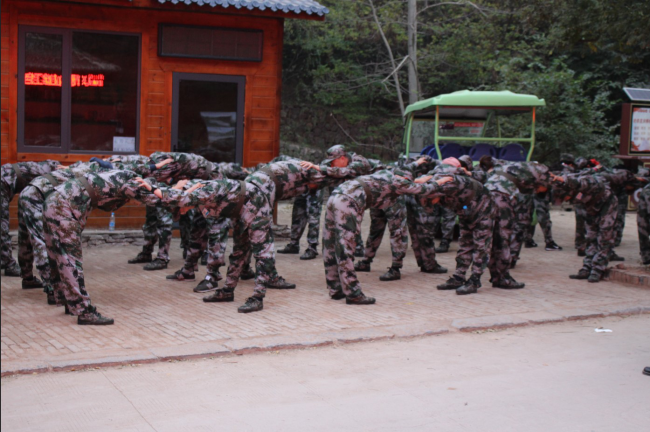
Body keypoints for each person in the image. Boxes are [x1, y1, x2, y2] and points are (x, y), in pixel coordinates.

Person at [43, 169, 164, 325]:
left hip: (54, 199)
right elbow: (163, 199)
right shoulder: (134, 184)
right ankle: (84, 312)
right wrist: (174, 191)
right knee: (70, 260)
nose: (140, 203)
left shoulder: (122, 176)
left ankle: (71, 302)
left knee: (58, 256)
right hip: (63, 206)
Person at [321, 165, 445, 305]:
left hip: (336, 195)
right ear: (405, 178)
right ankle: (353, 293)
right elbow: (425, 189)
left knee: (329, 243)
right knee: (346, 247)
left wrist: (420, 179)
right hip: (348, 201)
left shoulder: (385, 175)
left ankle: (335, 288)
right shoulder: (399, 181)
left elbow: (413, 184)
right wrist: (440, 181)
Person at [416, 160, 495, 295]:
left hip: (483, 208)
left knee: (481, 245)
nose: (433, 204)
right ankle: (458, 277)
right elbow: (413, 182)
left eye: (431, 201)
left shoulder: (447, 183)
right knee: (464, 242)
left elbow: (450, 174)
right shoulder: (433, 186)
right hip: (465, 209)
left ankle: (475, 280)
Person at [479, 156, 552, 289]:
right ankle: (503, 278)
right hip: (502, 196)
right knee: (503, 238)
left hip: (487, 193)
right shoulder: (542, 172)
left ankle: (496, 276)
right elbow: (539, 187)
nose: (537, 192)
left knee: (494, 237)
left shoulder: (517, 167)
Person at [551, 171, 616, 283]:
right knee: (590, 237)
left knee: (604, 238)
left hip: (607, 204)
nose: (565, 200)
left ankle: (597, 270)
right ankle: (587, 268)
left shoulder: (583, 182)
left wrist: (564, 179)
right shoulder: (571, 192)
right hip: (591, 208)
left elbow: (580, 181)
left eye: (564, 197)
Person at [1, 160, 60, 277]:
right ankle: (8, 265)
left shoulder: (42, 167)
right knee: (2, 228)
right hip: (3, 183)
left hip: (5, 181)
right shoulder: (48, 175)